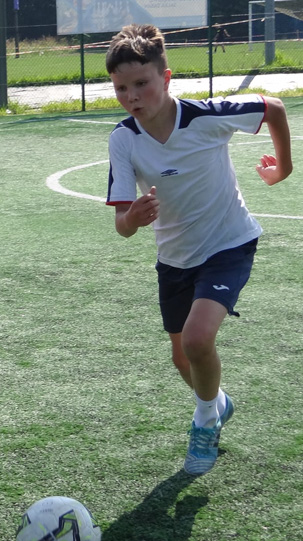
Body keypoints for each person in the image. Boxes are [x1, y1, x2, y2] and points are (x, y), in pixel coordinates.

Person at [105, 24, 292, 475]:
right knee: (181, 357)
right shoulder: (123, 139)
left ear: (166, 79)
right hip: (174, 258)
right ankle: (218, 403)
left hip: (229, 243)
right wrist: (132, 218)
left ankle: (204, 421)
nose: (133, 95)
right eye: (121, 88)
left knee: (196, 339)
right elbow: (121, 226)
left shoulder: (207, 116)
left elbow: (274, 107)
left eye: (142, 83)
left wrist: (282, 170)